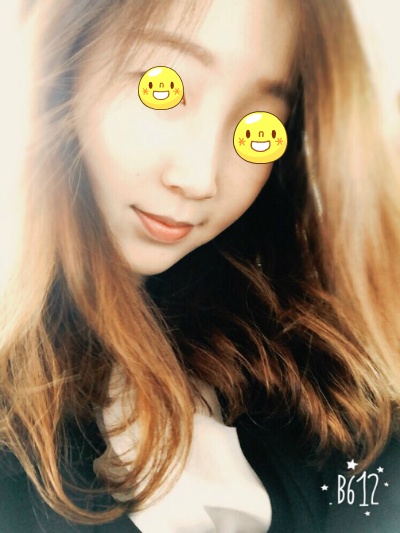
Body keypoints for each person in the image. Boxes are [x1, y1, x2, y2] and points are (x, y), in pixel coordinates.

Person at [1, 0, 399, 531]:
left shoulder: (310, 368)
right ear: (63, 61)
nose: (200, 178)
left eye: (259, 127)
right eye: (162, 89)